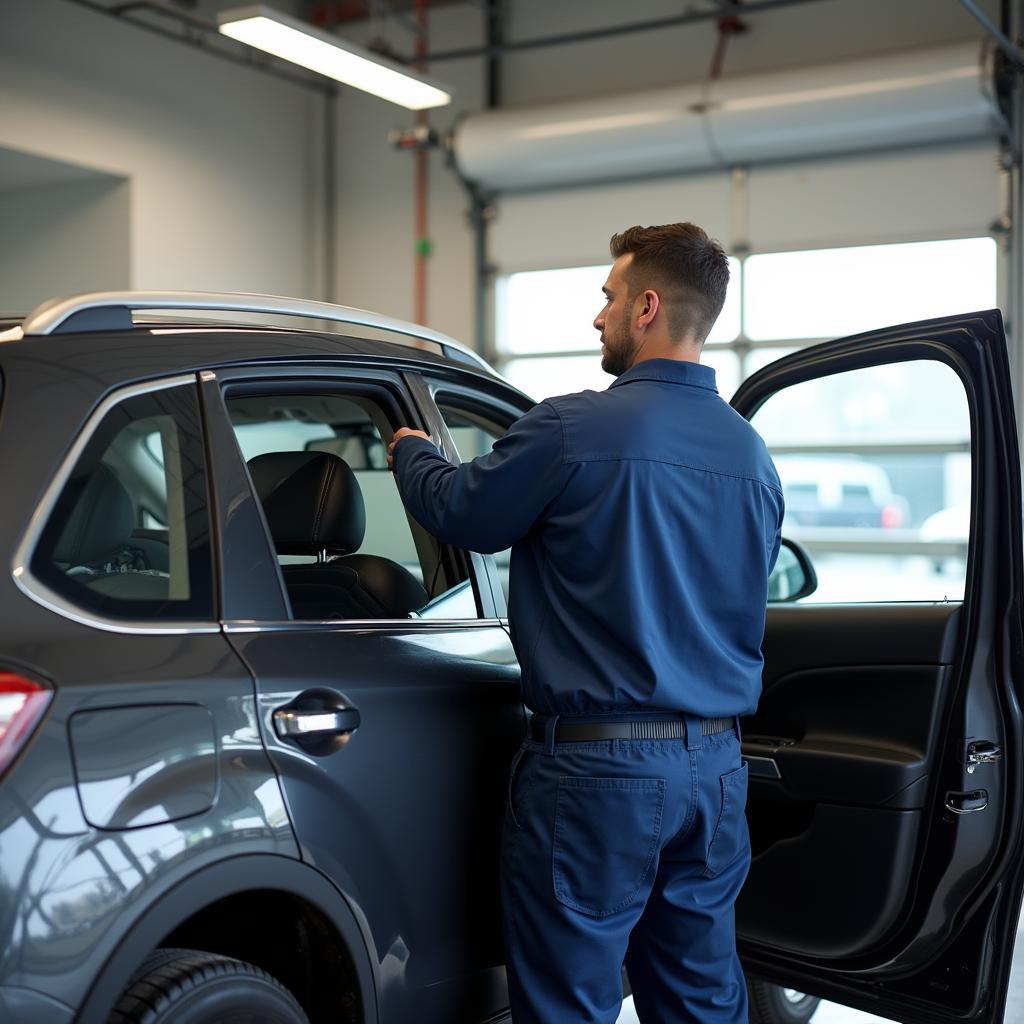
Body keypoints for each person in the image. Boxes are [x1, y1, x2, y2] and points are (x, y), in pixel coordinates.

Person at [387, 222, 784, 1024]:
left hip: (599, 777)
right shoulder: (752, 455)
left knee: (571, 1002)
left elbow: (461, 511)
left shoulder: (571, 429)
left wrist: (408, 451)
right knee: (702, 998)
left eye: (606, 298)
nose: (596, 317)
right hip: (714, 770)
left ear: (646, 306)